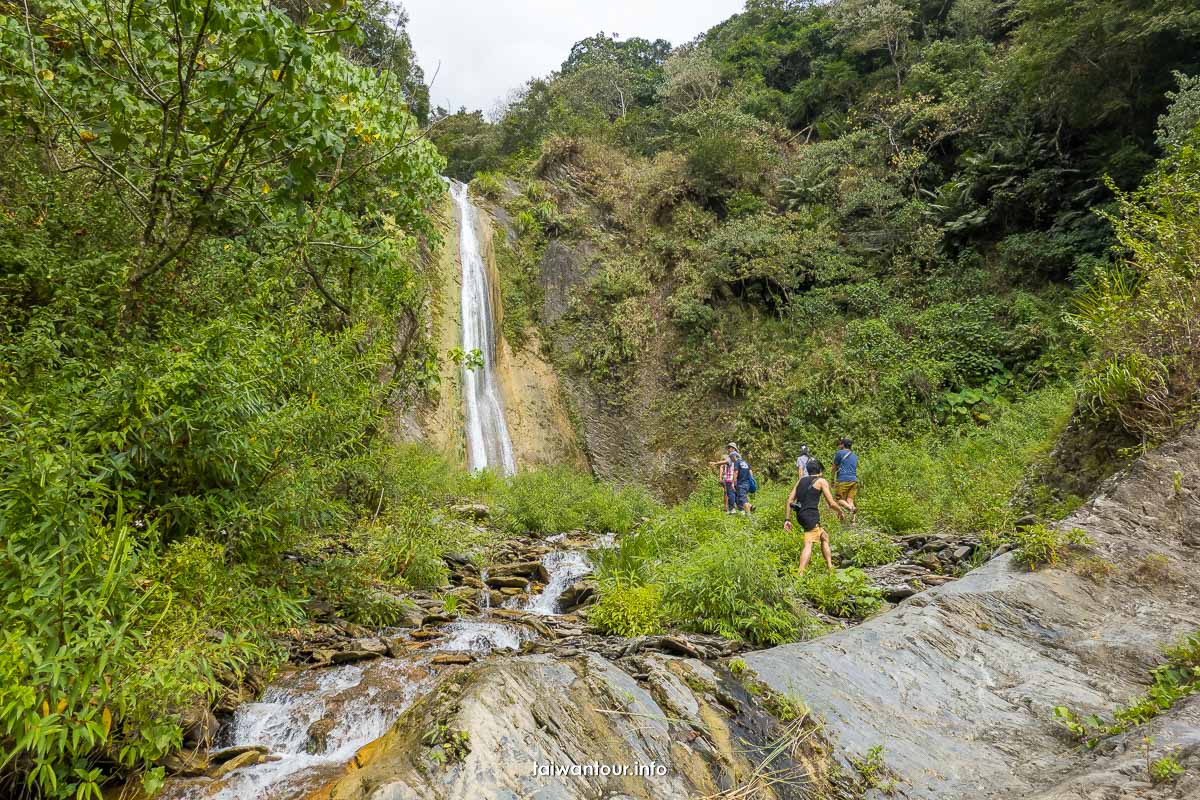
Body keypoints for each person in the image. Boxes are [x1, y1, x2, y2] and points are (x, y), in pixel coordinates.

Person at [784, 459, 845, 574]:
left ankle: (830, 566)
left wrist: (787, 519)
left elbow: (790, 500)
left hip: (801, 515)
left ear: (807, 470)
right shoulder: (821, 481)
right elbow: (831, 503)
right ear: (820, 471)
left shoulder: (801, 480)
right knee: (808, 543)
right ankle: (800, 573)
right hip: (810, 515)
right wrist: (840, 511)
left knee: (824, 536)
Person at [832, 437, 859, 524]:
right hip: (854, 480)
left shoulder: (839, 453)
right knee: (850, 500)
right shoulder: (854, 455)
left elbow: (834, 467)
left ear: (843, 445)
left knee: (838, 500)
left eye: (840, 444)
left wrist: (832, 478)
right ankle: (853, 521)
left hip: (843, 479)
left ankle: (851, 509)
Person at [709, 449, 737, 514]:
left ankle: (730, 508)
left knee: (729, 492)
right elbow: (721, 467)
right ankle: (727, 508)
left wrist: (720, 477)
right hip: (727, 477)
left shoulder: (732, 458)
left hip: (730, 478)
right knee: (727, 492)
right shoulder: (728, 457)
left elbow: (721, 466)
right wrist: (720, 477)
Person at [729, 442, 753, 514]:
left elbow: (735, 473)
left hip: (741, 484)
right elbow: (750, 472)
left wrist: (733, 483)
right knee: (743, 498)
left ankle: (749, 517)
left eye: (731, 458)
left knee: (743, 500)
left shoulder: (737, 462)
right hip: (747, 484)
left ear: (734, 457)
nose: (731, 460)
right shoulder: (745, 462)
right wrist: (751, 481)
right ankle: (750, 507)